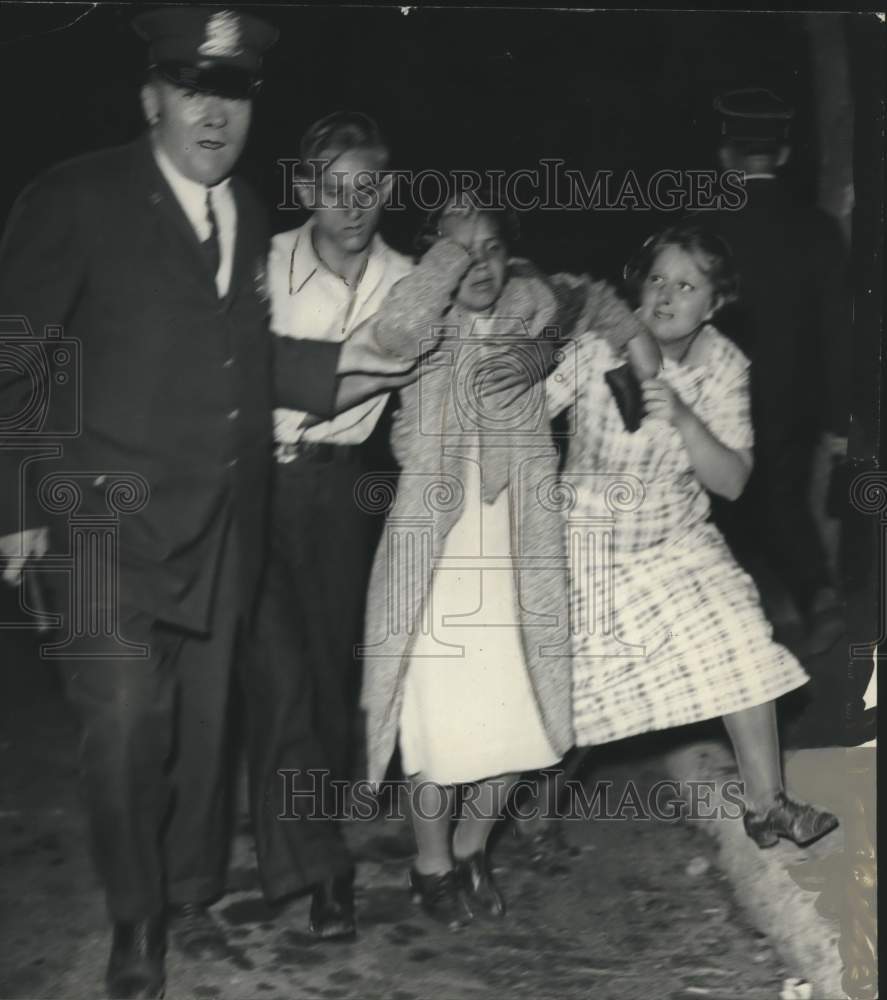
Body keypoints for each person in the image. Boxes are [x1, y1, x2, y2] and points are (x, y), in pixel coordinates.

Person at [0, 9, 364, 998]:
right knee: (123, 729)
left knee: (200, 739)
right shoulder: (75, 196)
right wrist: (16, 507)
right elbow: (27, 351)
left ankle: (185, 893)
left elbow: (240, 356)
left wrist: (359, 368)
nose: (215, 112)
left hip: (221, 528)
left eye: (235, 93)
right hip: (100, 528)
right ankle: (134, 923)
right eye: (192, 87)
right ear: (152, 95)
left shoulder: (243, 207)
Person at [353, 194, 658, 927]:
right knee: (432, 724)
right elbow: (391, 333)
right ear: (433, 257)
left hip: (518, 547)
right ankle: (430, 867)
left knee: (526, 721)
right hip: (433, 555)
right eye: (459, 250)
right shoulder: (423, 314)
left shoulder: (529, 300)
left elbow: (594, 297)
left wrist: (636, 348)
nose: (478, 264)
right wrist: (447, 261)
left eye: (490, 247)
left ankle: (469, 845)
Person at [546, 220, 839, 850]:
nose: (666, 296)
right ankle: (533, 805)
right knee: (582, 692)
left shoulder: (725, 366)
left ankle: (767, 807)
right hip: (588, 538)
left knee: (739, 637)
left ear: (716, 303)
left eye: (687, 285)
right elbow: (525, 409)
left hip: (676, 538)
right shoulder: (598, 346)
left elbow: (732, 480)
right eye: (657, 279)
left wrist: (680, 414)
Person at [246, 111, 413, 941]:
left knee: (318, 674)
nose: (352, 203)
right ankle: (320, 870)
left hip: (340, 493)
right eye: (334, 187)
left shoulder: (408, 279)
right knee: (276, 678)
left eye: (369, 185)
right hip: (249, 485)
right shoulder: (261, 262)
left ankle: (304, 838)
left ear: (385, 187)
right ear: (308, 190)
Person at [707, 87, 852, 656]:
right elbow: (838, 327)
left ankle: (743, 627)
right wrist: (840, 416)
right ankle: (816, 597)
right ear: (784, 155)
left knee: (726, 510)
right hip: (794, 395)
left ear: (725, 156)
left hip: (718, 393)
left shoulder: (705, 226)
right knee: (786, 500)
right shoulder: (816, 228)